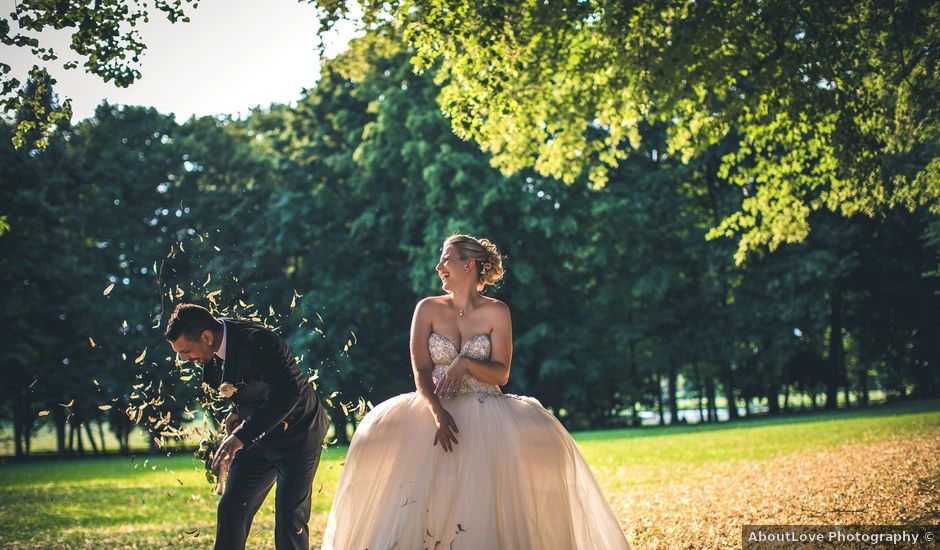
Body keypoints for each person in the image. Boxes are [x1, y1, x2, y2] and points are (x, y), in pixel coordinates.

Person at [321, 234, 631, 549]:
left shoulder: (497, 312)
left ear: (468, 264)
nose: (438, 266)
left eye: (445, 259)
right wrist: (437, 413)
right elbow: (422, 371)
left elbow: (502, 372)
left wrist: (465, 363)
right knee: (421, 493)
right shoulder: (426, 308)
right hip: (433, 410)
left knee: (483, 500)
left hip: (487, 415)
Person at [164, 303, 330, 550]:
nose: (184, 359)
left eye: (186, 351)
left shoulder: (258, 341)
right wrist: (236, 413)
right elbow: (249, 386)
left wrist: (240, 436)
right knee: (232, 509)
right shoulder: (210, 355)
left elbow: (287, 393)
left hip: (298, 434)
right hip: (256, 438)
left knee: (289, 517)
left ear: (206, 337)